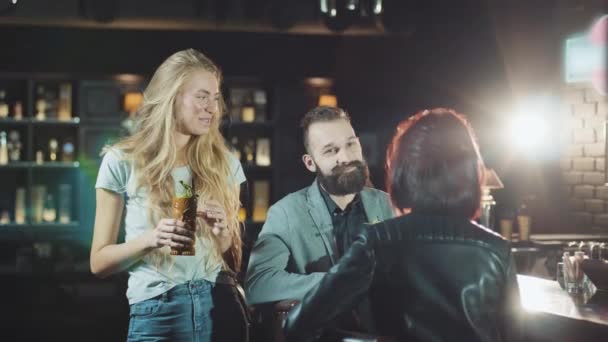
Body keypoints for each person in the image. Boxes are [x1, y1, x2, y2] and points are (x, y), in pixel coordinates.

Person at [284, 108, 523, 342]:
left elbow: (297, 325)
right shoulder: (497, 249)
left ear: (402, 171)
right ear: (472, 172)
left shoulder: (377, 241)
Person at [90, 49, 249, 342]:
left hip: (215, 304)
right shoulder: (121, 160)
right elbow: (99, 263)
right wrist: (151, 239)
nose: (212, 107)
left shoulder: (224, 163)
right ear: (171, 97)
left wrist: (223, 233)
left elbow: (232, 262)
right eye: (202, 96)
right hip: (156, 311)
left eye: (215, 97)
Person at [245, 106, 394, 333]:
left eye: (351, 144)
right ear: (310, 163)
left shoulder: (388, 205)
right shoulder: (286, 213)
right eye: (330, 151)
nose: (345, 157)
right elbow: (259, 284)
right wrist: (339, 282)